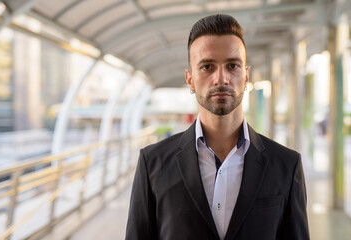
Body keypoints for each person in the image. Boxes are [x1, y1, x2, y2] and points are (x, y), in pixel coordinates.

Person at [126, 14, 309, 240]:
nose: (221, 78)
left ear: (246, 76)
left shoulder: (286, 166)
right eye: (207, 66)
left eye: (233, 65)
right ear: (190, 79)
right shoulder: (152, 164)